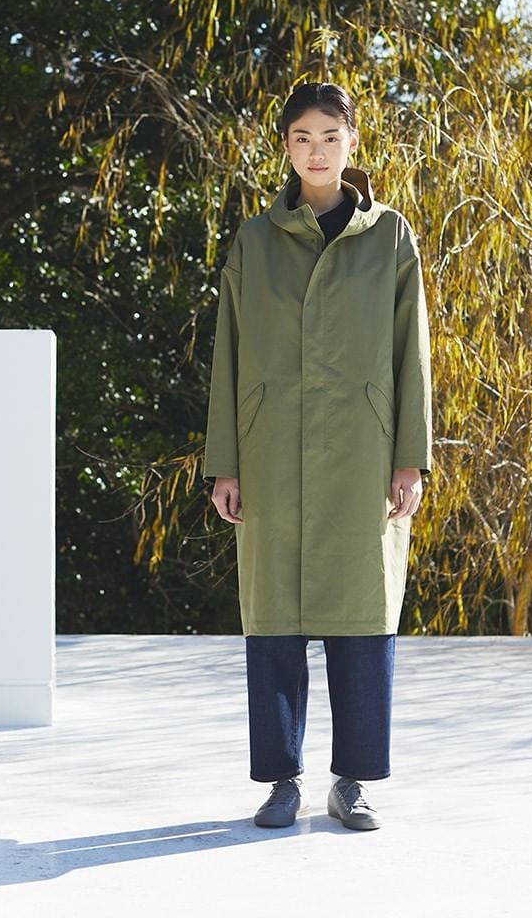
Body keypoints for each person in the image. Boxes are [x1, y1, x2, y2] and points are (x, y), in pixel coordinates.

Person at [204, 82, 431, 831]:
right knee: (273, 620)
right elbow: (229, 354)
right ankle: (280, 780)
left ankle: (353, 781)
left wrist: (410, 459)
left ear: (352, 143)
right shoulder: (255, 239)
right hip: (269, 452)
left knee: (362, 616)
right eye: (302, 137)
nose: (317, 151)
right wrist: (225, 462)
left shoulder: (390, 236)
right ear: (286, 146)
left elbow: (412, 355)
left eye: (331, 136)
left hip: (363, 454)